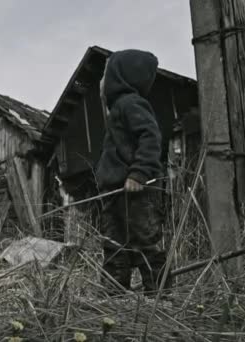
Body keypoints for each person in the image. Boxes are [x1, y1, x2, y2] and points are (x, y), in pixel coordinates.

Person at [95, 49, 170, 293]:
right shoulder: (116, 109)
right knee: (114, 246)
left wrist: (139, 173)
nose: (101, 81)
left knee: (146, 243)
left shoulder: (131, 103)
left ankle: (159, 296)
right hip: (115, 192)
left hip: (136, 193)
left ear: (119, 76)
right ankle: (112, 296)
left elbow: (150, 137)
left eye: (105, 74)